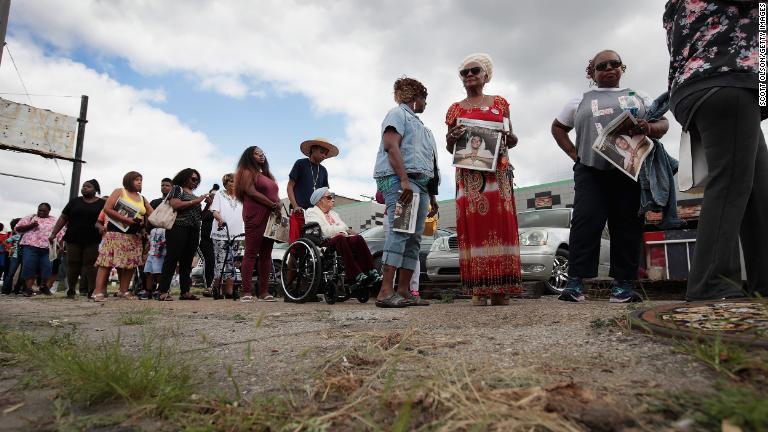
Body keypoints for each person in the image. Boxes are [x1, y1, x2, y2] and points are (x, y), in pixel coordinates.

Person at [665, 1, 767, 300]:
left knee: (757, 193)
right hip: (726, 79)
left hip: (704, 85)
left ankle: (763, 284)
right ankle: (711, 283)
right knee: (731, 185)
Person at [551, 49, 669, 302]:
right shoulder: (579, 100)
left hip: (629, 171)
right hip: (590, 171)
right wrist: (575, 155)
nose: (608, 68)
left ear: (621, 68)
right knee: (585, 223)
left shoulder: (639, 96)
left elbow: (664, 124)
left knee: (627, 225)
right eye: (601, 66)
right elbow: (558, 127)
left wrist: (647, 127)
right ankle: (575, 284)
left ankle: (623, 285)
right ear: (592, 72)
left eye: (614, 64)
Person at [445, 53, 522, 306]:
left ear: (485, 75)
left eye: (474, 71)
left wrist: (509, 139)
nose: (469, 75)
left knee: (500, 227)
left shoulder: (500, 103)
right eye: (464, 73)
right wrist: (451, 139)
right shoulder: (455, 109)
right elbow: (449, 147)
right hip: (469, 178)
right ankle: (478, 289)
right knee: (475, 228)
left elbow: (512, 137)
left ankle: (501, 288)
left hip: (497, 176)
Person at [373, 77, 438, 308]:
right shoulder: (397, 114)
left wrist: (432, 196)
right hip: (401, 180)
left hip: (419, 183)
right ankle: (385, 291)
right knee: (401, 230)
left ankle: (404, 290)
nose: (425, 104)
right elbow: (391, 145)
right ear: (415, 96)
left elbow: (430, 163)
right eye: (424, 98)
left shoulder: (422, 128)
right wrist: (403, 180)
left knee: (414, 237)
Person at [92, 171, 153, 301]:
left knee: (130, 263)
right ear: (129, 180)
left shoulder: (142, 198)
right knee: (106, 262)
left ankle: (123, 291)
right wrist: (126, 220)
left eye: (141, 180)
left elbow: (151, 213)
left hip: (134, 234)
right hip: (116, 232)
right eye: (137, 179)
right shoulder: (119, 191)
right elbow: (107, 208)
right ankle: (98, 292)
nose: (139, 182)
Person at [304, 187, 382, 287]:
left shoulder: (334, 214)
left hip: (338, 240)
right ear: (320, 201)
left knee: (358, 238)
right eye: (329, 197)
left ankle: (371, 271)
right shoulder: (311, 212)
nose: (332, 199)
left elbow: (343, 229)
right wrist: (341, 229)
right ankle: (355, 275)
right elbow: (326, 231)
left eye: (332, 197)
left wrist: (340, 229)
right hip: (323, 242)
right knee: (340, 238)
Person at [234, 146, 280, 302]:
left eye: (263, 153)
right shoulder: (246, 172)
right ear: (249, 156)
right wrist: (272, 204)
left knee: (267, 255)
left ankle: (264, 292)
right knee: (251, 252)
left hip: (271, 217)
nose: (261, 155)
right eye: (257, 153)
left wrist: (278, 204)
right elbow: (251, 191)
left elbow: (275, 194)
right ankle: (246, 291)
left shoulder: (267, 175)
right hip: (256, 215)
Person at [157, 168, 210, 301]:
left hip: (193, 229)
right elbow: (175, 205)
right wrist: (196, 201)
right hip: (178, 227)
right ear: (185, 177)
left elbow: (199, 216)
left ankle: (185, 291)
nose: (195, 182)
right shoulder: (177, 189)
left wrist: (207, 206)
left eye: (197, 180)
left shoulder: (193, 194)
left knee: (187, 261)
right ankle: (163, 291)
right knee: (172, 258)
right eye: (193, 178)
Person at [49, 179, 105, 298]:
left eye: (88, 186)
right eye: (83, 186)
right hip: (73, 237)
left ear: (96, 189)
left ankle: (91, 290)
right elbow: (63, 218)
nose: (84, 188)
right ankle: (71, 290)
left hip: (93, 238)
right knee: (73, 263)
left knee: (90, 264)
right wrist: (54, 233)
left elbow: (106, 219)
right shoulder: (74, 202)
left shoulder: (102, 203)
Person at [287, 138, 338, 242]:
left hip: (315, 213)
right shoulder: (300, 164)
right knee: (296, 243)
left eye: (326, 154)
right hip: (299, 211)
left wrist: (328, 209)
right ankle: (291, 258)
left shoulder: (323, 171)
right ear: (313, 149)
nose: (324, 156)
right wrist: (295, 206)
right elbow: (289, 187)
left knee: (317, 241)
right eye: (322, 152)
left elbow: (325, 194)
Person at [14, 203, 61, 296]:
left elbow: (60, 232)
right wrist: (31, 226)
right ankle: (28, 289)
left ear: (49, 211)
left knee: (47, 268)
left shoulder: (54, 220)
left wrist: (59, 245)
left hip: (47, 248)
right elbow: (17, 229)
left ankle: (43, 287)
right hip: (30, 247)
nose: (41, 212)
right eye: (39, 210)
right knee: (29, 267)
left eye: (44, 210)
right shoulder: (30, 217)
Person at [210, 173, 244, 299]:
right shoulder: (219, 194)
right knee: (220, 262)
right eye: (230, 181)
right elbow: (215, 211)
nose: (233, 183)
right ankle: (215, 287)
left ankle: (229, 291)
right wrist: (220, 220)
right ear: (225, 184)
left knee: (232, 262)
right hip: (221, 233)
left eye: (235, 181)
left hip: (237, 234)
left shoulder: (241, 196)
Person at [199, 185, 217, 295]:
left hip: (218, 239)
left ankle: (217, 286)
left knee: (218, 263)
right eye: (211, 195)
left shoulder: (222, 208)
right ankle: (209, 286)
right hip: (206, 240)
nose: (213, 197)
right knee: (209, 261)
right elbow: (201, 218)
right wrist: (208, 204)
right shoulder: (206, 209)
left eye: (215, 195)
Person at [141, 226, 165, 300]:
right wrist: (145, 252)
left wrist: (160, 250)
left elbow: (165, 241)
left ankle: (160, 290)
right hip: (151, 254)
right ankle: (148, 291)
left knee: (158, 273)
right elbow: (150, 242)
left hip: (159, 254)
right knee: (148, 272)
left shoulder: (165, 230)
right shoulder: (152, 230)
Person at [1, 219, 21, 294]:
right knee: (11, 273)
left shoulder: (27, 237)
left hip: (24, 257)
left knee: (21, 274)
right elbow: (5, 242)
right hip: (15, 256)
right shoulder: (16, 236)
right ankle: (5, 290)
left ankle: (17, 290)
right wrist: (10, 248)